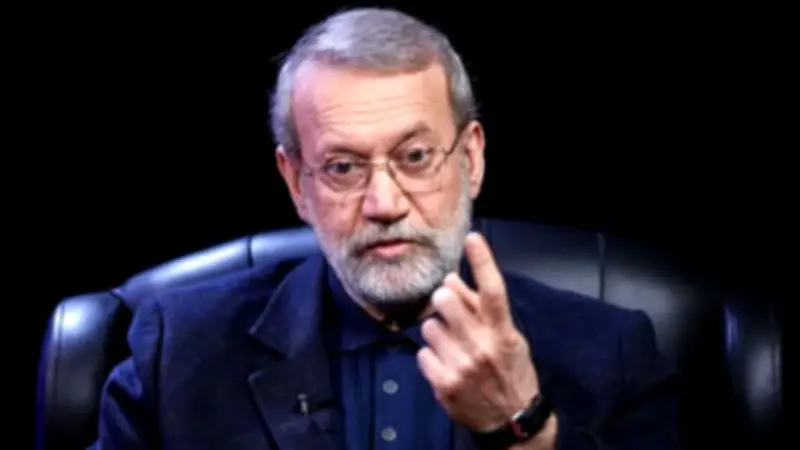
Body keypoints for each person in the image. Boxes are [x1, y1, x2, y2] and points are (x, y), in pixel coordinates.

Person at [93, 7, 679, 450]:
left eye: (415, 157)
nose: (384, 203)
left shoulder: (611, 353)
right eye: (343, 168)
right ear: (296, 183)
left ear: (470, 159)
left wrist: (524, 430)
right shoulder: (179, 349)